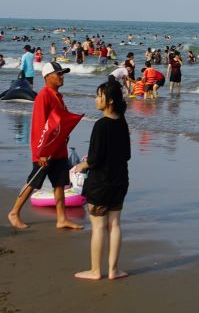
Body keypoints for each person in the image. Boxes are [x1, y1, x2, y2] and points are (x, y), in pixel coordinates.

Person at [8, 61, 83, 231]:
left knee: (60, 184)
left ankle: (62, 219)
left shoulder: (58, 96)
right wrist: (40, 153)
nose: (62, 77)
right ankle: (14, 212)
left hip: (58, 149)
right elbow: (39, 126)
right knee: (33, 182)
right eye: (59, 74)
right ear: (47, 77)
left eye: (63, 74)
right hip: (45, 152)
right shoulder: (43, 96)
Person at [73, 79, 131, 280]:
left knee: (98, 227)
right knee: (115, 225)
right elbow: (126, 154)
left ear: (110, 100)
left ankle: (96, 271)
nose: (96, 99)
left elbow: (95, 159)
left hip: (100, 184)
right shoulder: (122, 122)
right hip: (120, 181)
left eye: (99, 96)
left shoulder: (101, 125)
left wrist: (82, 165)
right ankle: (114, 270)